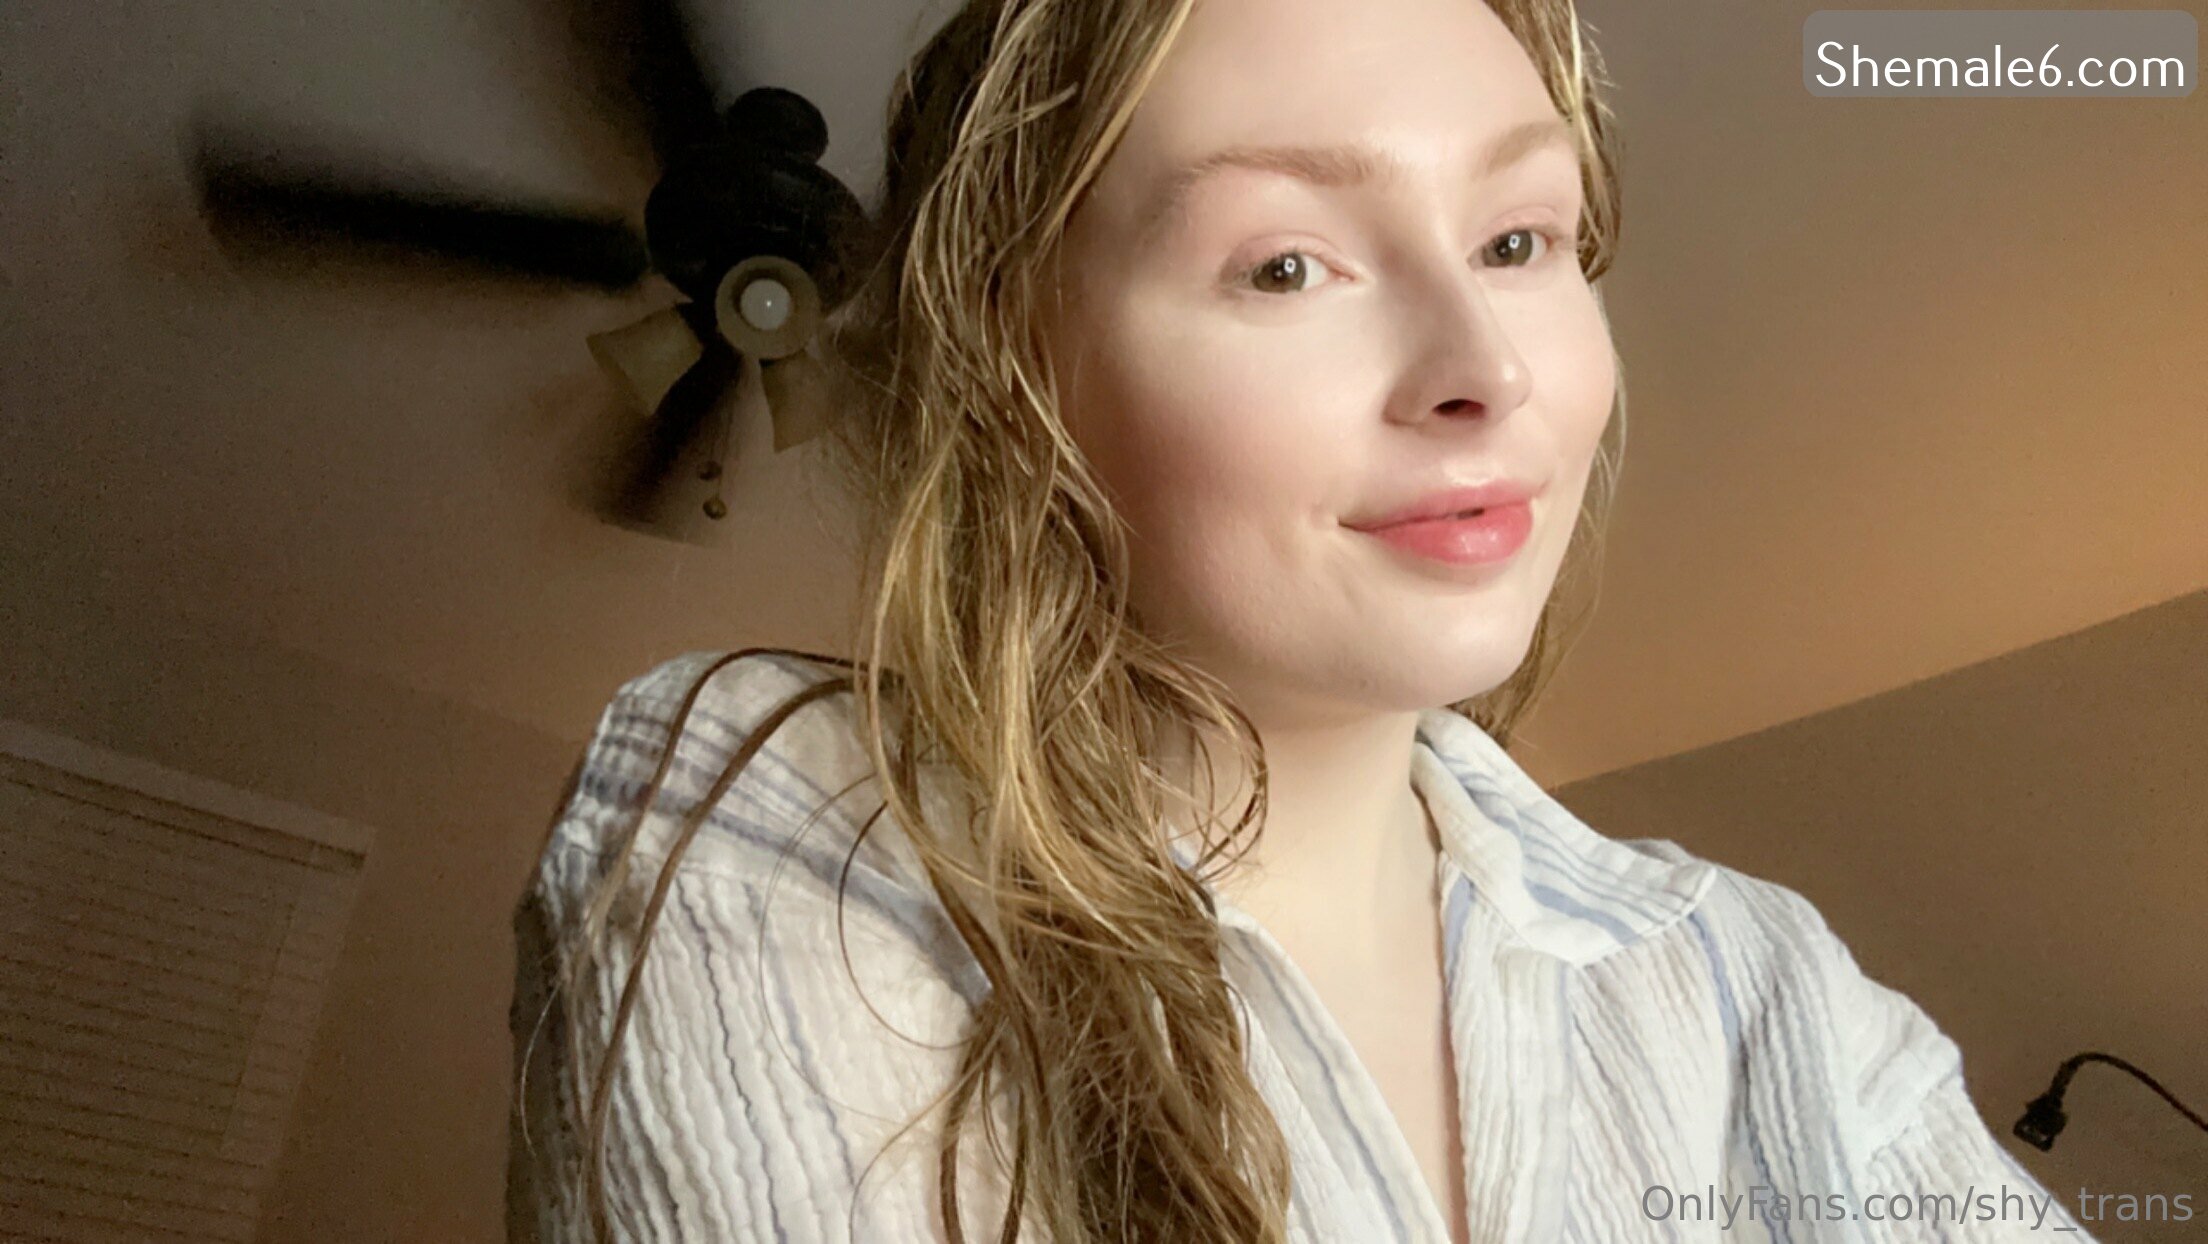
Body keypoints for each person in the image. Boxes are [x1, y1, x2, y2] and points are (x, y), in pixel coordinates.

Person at [504, 0, 2091, 1240]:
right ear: (1014, 377)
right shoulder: (780, 810)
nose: (1486, 367)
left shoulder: (1760, 984)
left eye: (1519, 240)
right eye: (1284, 267)